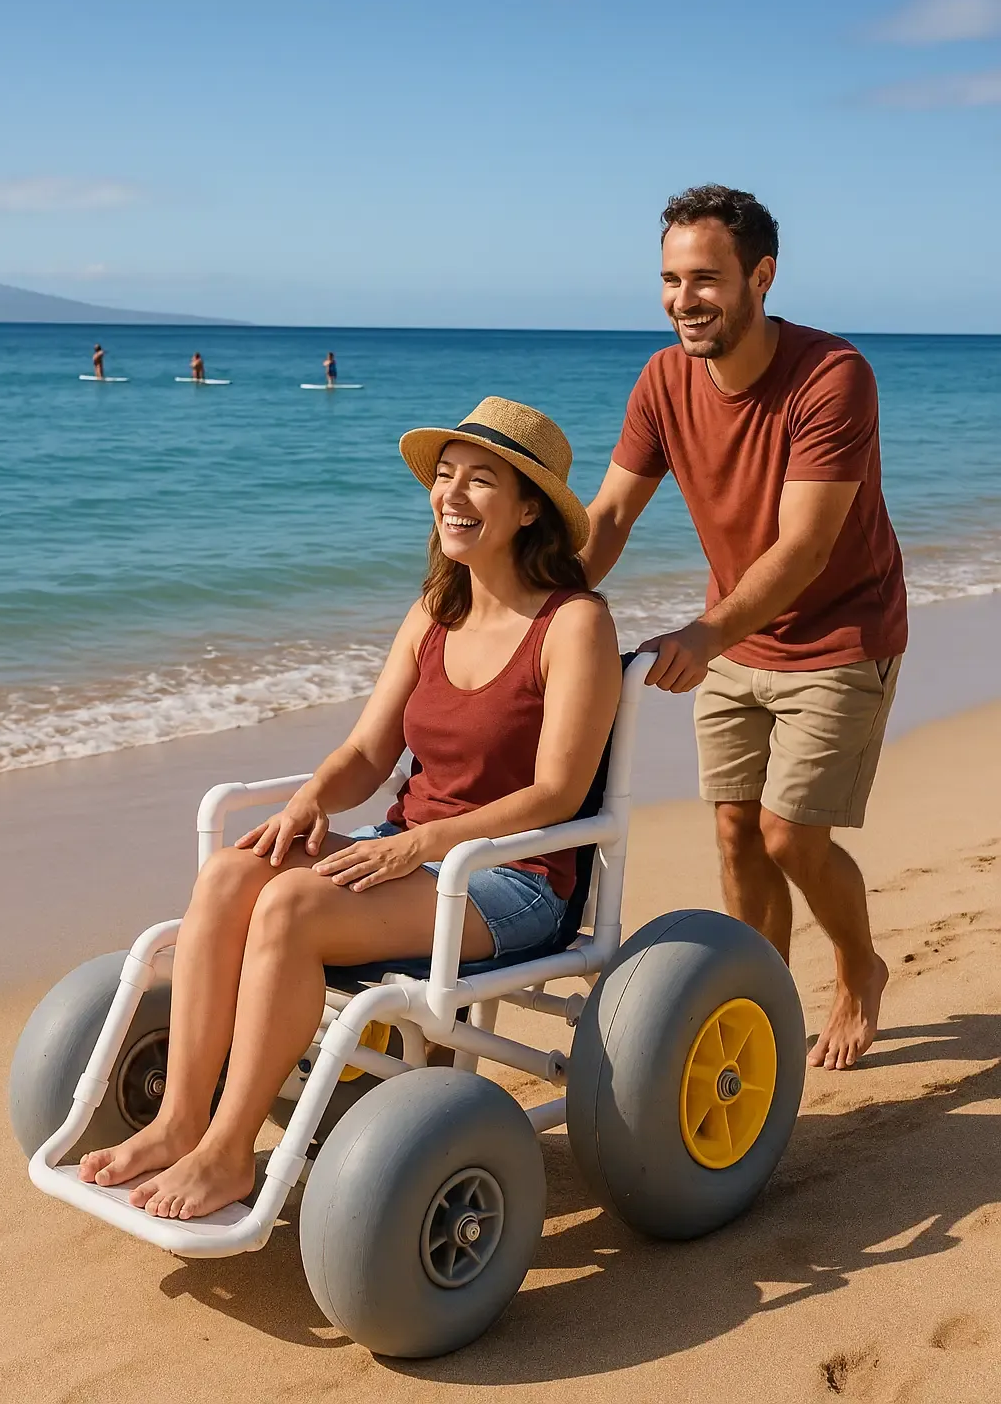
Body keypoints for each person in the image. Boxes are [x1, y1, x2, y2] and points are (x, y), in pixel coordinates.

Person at [77, 396, 621, 1220]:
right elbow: (368, 754)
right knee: (234, 875)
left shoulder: (574, 624)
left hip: (515, 879)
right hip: (414, 852)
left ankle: (229, 1156)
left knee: (291, 906)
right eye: (444, 479)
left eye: (481, 481)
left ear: (529, 507)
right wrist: (310, 800)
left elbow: (556, 793)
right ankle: (181, 1123)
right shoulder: (432, 616)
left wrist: (424, 842)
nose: (453, 496)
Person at [583, 184, 907, 1072]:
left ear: (760, 276)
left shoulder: (832, 375)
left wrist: (701, 635)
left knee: (790, 834)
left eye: (706, 279)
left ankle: (858, 967)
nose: (684, 299)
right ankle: (762, 1007)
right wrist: (537, 606)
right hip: (739, 633)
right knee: (733, 830)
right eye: (669, 279)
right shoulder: (661, 380)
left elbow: (804, 550)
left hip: (843, 634)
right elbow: (609, 519)